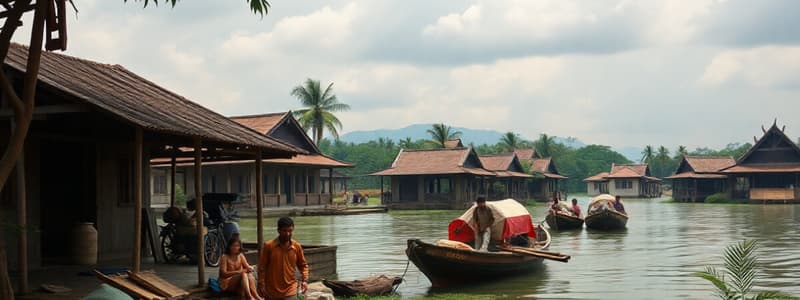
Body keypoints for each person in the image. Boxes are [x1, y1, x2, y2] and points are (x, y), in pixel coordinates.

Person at [258, 217, 309, 300]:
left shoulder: (296, 246)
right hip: (271, 290)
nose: (288, 234)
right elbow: (262, 267)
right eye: (285, 231)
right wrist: (261, 283)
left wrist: (305, 280)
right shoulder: (269, 246)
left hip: (290, 289)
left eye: (290, 231)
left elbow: (303, 265)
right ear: (278, 230)